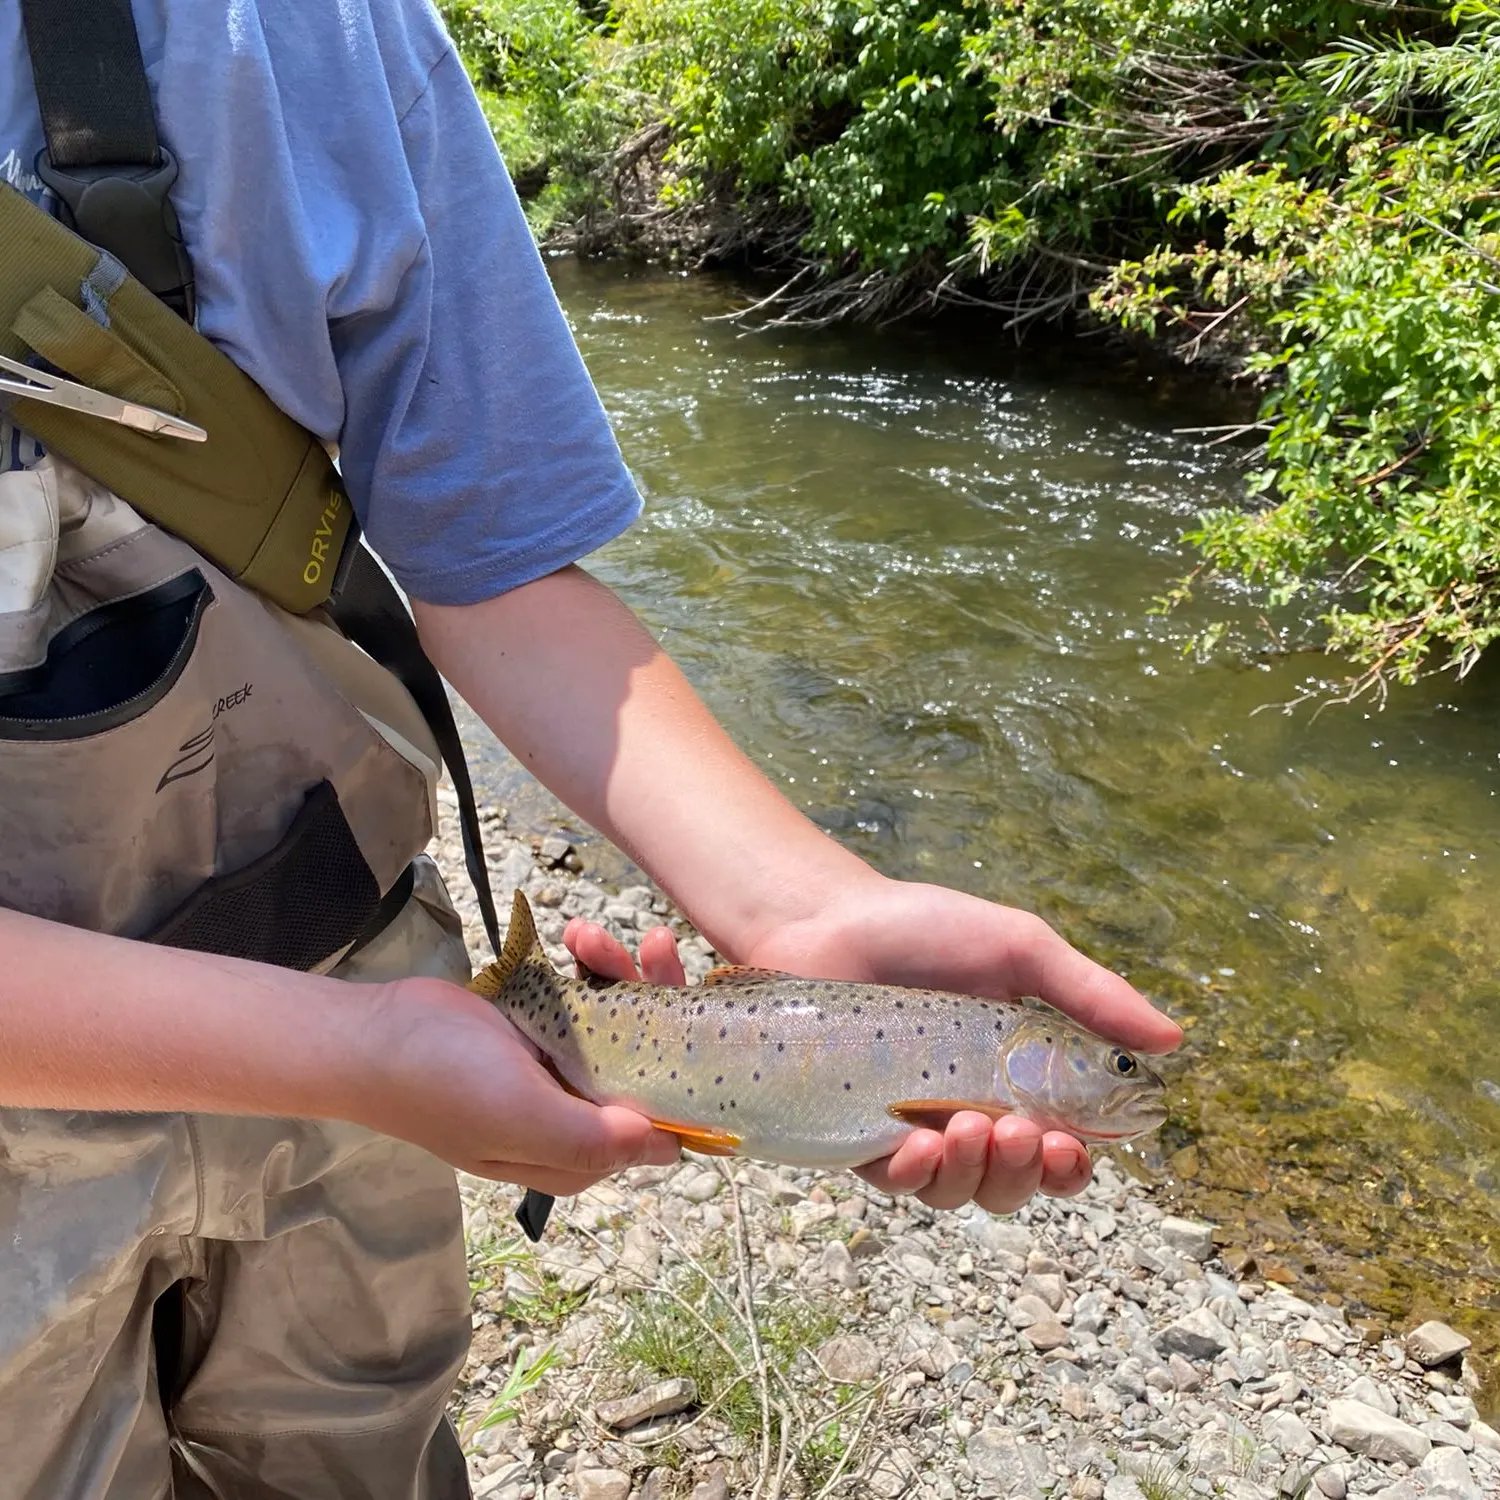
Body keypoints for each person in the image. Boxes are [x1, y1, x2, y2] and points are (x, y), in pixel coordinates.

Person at [0, 2, 1181, 1496]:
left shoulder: (307, 24)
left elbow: (490, 562)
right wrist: (359, 1055)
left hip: (354, 968)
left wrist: (797, 911)